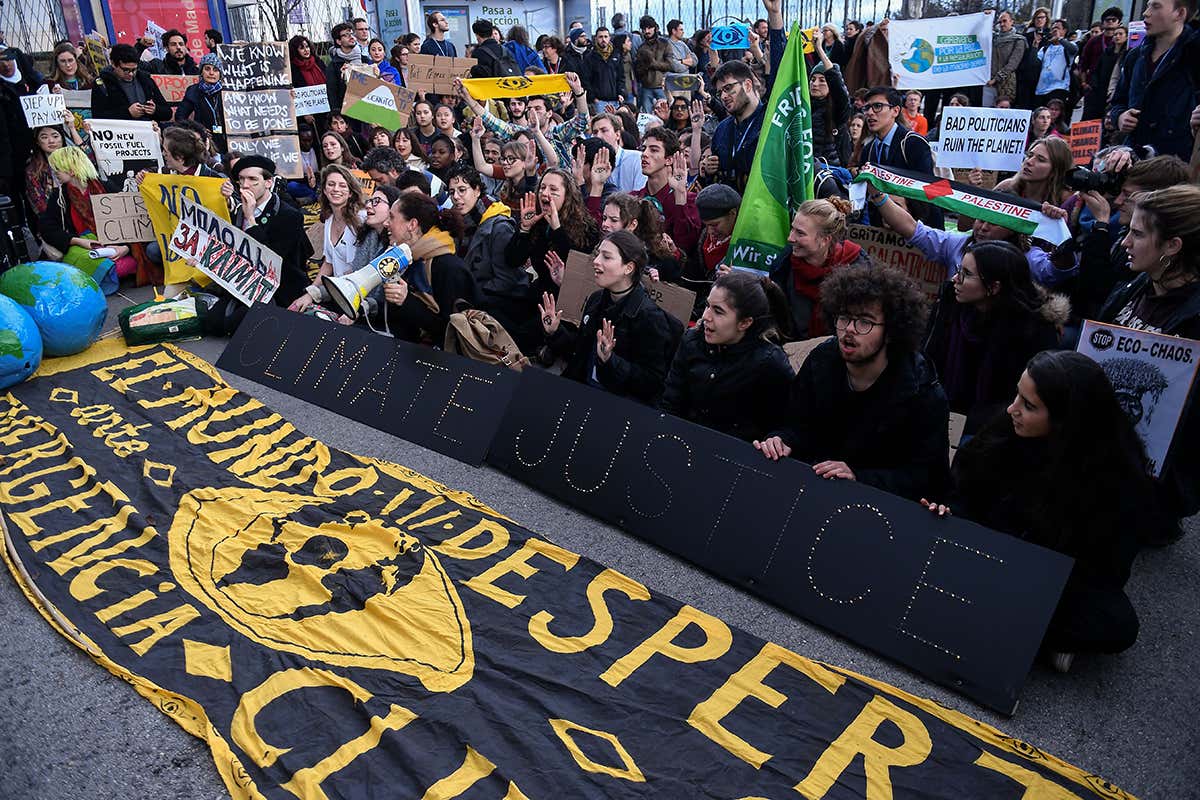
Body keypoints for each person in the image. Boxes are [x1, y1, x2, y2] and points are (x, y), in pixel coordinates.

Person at [924, 351, 1164, 669]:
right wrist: (949, 511)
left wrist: (1027, 574)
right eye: (1017, 396)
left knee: (1116, 624)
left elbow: (1105, 573)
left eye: (1029, 405)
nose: (1013, 409)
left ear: (1067, 418)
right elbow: (966, 491)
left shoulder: (1119, 479)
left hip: (1047, 577)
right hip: (987, 549)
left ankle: (1005, 620)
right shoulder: (1008, 428)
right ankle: (1018, 629)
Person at [755, 264, 950, 502]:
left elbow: (926, 479)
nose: (849, 330)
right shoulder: (821, 361)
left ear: (891, 331)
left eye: (864, 322)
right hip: (810, 492)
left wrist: (858, 477)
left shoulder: (922, 392)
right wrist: (781, 440)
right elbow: (795, 424)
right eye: (844, 317)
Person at [1098, 185, 1200, 529]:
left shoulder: (1195, 319)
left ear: (1172, 246)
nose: (1125, 242)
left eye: (1137, 234)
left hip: (1151, 476)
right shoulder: (1135, 284)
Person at [923, 240, 1067, 425]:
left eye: (966, 274)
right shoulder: (950, 304)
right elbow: (927, 360)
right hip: (941, 412)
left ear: (994, 287)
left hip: (996, 425)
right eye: (959, 270)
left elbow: (1026, 398)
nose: (955, 279)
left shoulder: (1033, 331)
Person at [539, 230, 682, 404]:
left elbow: (651, 382)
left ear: (628, 268)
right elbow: (580, 351)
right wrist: (555, 332)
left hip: (614, 405)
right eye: (598, 254)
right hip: (580, 390)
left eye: (606, 257)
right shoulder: (596, 299)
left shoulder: (650, 318)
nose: (596, 262)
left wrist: (610, 360)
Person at [661, 270, 794, 441]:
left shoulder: (770, 363)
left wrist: (777, 438)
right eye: (708, 305)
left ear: (745, 323)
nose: (705, 316)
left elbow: (787, 423)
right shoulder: (691, 341)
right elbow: (671, 402)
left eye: (718, 311)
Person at [868, 180, 1075, 288]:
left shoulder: (1027, 258)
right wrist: (877, 196)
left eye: (993, 223)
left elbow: (1057, 271)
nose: (983, 227)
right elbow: (911, 228)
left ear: (1013, 227)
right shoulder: (957, 244)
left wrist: (1060, 232)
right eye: (980, 219)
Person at [445, 164, 535, 340]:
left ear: (477, 190)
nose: (456, 197)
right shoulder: (459, 222)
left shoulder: (498, 226)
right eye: (451, 192)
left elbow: (506, 281)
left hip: (501, 301)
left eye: (462, 190)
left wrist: (470, 294)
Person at [378, 191, 479, 343]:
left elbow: (455, 332)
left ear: (412, 224)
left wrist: (407, 301)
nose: (386, 223)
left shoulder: (449, 268)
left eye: (392, 217)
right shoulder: (408, 259)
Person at [37, 145, 139, 291]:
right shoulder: (59, 196)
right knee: (86, 259)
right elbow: (47, 228)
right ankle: (111, 273)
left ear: (71, 170)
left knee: (126, 262)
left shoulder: (106, 187)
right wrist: (77, 241)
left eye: (57, 168)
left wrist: (125, 248)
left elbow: (130, 220)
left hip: (115, 244)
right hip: (83, 247)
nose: (55, 173)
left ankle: (109, 273)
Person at [1108, 0, 1200, 161]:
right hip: (1134, 158)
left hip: (1175, 164)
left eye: (1156, 6)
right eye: (1148, 5)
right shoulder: (1135, 56)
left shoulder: (1193, 57)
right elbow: (1118, 101)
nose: (1146, 12)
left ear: (1180, 13)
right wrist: (1120, 117)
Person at [768, 198, 869, 339]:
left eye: (800, 233)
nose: (790, 238)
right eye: (793, 229)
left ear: (825, 240)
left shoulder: (858, 269)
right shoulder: (784, 266)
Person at [860, 86, 942, 229]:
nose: (870, 113)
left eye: (877, 106)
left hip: (920, 228)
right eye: (867, 108)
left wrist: (900, 206)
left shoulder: (914, 143)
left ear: (895, 111)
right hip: (883, 233)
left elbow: (929, 191)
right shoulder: (868, 149)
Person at [507, 168, 598, 294]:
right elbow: (513, 260)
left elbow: (578, 270)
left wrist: (557, 230)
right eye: (542, 187)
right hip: (539, 292)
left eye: (553, 189)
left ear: (567, 196)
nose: (544, 193)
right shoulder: (537, 220)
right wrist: (524, 229)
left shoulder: (586, 227)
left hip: (565, 296)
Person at [633, 127, 701, 258]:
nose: (644, 154)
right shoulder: (634, 198)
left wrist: (680, 195)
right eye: (644, 149)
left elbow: (686, 246)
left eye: (653, 150)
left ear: (669, 160)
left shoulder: (690, 200)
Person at [597, 191, 681, 282]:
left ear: (632, 225)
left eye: (614, 220)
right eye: (604, 218)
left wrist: (656, 274)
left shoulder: (654, 258)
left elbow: (673, 279)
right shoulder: (598, 246)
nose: (605, 224)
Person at [91, 44, 171, 121]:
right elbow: (98, 116)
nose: (131, 74)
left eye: (134, 70)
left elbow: (167, 113)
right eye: (125, 70)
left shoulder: (146, 80)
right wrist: (128, 113)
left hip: (148, 129)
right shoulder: (102, 83)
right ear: (113, 64)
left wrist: (155, 110)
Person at [809, 38, 852, 166]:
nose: (815, 84)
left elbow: (836, 82)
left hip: (831, 173)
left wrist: (819, 50)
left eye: (822, 80)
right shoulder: (804, 106)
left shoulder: (839, 109)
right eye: (813, 79)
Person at [175, 54, 226, 153]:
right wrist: (197, 130)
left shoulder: (227, 91)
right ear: (201, 72)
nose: (211, 73)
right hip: (204, 141)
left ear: (220, 74)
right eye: (207, 69)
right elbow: (180, 116)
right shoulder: (193, 91)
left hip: (228, 140)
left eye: (215, 70)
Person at [1083, 24, 1127, 123]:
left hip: (1115, 91)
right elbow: (1096, 70)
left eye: (1120, 34)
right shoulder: (1107, 53)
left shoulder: (1127, 54)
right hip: (1100, 89)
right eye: (1115, 34)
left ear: (1126, 36)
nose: (1117, 36)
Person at [590, 113, 645, 191]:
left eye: (604, 130)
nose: (598, 136)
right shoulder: (591, 164)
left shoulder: (636, 159)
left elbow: (639, 197)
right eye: (595, 132)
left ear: (617, 135)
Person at [326, 22, 367, 118]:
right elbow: (333, 94)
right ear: (339, 41)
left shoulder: (365, 60)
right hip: (347, 114)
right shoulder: (333, 66)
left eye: (352, 34)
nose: (351, 37)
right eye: (346, 35)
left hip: (366, 111)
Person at [633, 16, 674, 112]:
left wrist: (652, 64)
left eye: (649, 28)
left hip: (662, 86)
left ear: (655, 28)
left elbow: (670, 64)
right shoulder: (642, 47)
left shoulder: (664, 44)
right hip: (646, 87)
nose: (646, 31)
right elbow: (638, 71)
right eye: (644, 29)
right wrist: (643, 67)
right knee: (647, 116)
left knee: (665, 113)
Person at [1034, 19, 1077, 108]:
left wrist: (1060, 39)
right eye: (1052, 28)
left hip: (1059, 89)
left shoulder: (1068, 45)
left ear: (1064, 31)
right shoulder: (1045, 48)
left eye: (1057, 28)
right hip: (1041, 89)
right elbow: (1035, 63)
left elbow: (1074, 50)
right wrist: (1035, 46)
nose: (1054, 30)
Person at [988, 12, 1027, 105]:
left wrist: (996, 78)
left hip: (1006, 82)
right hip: (989, 81)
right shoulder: (993, 38)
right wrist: (986, 17)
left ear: (1011, 22)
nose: (1002, 24)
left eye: (1004, 21)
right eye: (1000, 22)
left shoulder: (1018, 40)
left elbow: (1013, 64)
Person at [582, 27, 624, 114]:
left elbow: (621, 77)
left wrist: (621, 93)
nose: (603, 39)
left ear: (609, 38)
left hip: (615, 100)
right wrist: (593, 98)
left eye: (605, 36)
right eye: (600, 37)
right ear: (596, 38)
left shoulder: (616, 55)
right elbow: (586, 80)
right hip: (599, 102)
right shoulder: (590, 57)